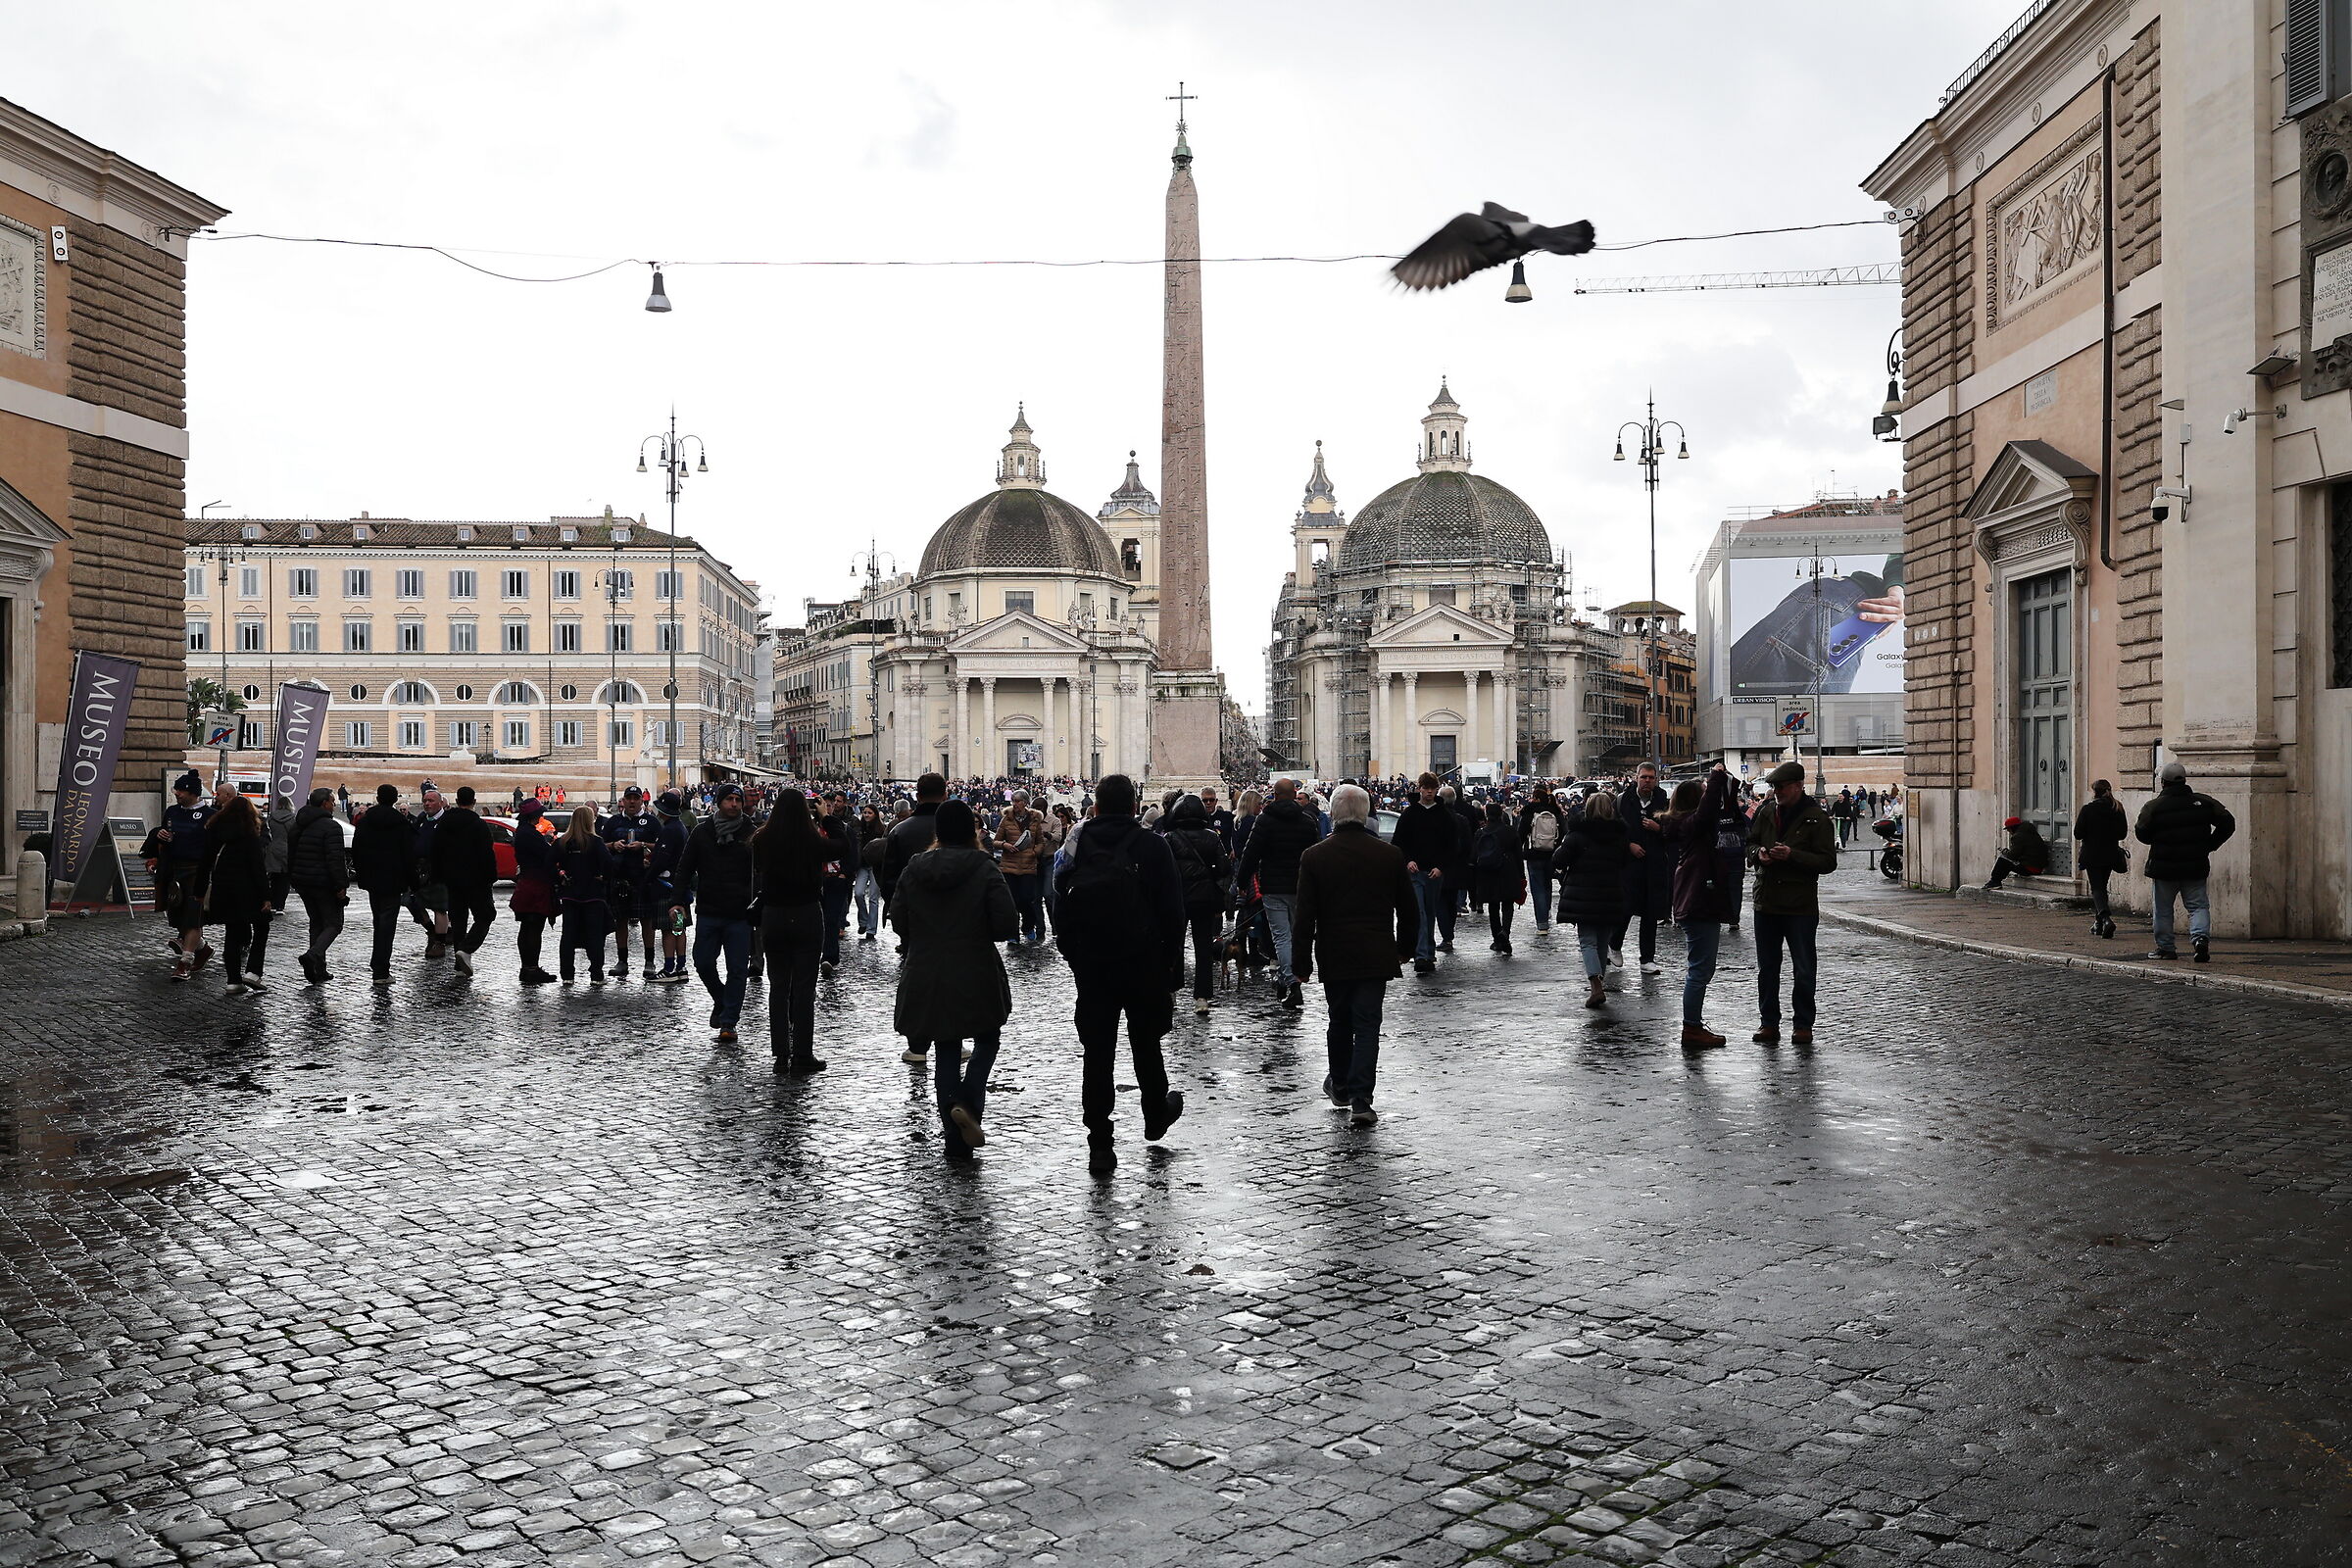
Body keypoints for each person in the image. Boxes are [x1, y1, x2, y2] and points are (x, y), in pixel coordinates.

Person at [1054, 773, 1187, 1175]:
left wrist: (1075, 956)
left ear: (1094, 807)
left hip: (1093, 965)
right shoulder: (1152, 845)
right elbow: (1173, 913)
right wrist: (1172, 971)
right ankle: (1155, 1113)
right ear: (1134, 806)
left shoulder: (1074, 843)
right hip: (1143, 961)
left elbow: (1059, 902)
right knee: (1146, 1043)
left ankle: (1100, 1142)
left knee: (1097, 1054)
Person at [890, 800, 1017, 1159]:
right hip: (975, 966)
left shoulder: (916, 868)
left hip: (928, 969)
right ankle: (970, 1101)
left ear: (939, 833)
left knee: (946, 1048)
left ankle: (953, 1136)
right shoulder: (984, 866)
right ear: (972, 830)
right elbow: (1006, 923)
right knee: (987, 1039)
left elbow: (899, 920)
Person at [1291, 784, 1418, 1128]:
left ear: (1333, 814)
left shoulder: (1315, 856)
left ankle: (1342, 1085)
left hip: (1335, 953)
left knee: (1340, 1021)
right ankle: (1361, 1098)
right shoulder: (1389, 855)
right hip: (1376, 952)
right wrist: (1405, 949)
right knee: (1367, 1025)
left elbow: (1304, 918)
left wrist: (1300, 964)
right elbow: (1409, 910)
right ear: (1366, 815)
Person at [1746, 760, 1838, 1044]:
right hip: (1767, 902)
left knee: (1804, 967)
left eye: (1781, 787)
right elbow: (1749, 842)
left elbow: (1828, 862)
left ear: (1798, 786)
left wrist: (1793, 856)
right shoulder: (1766, 811)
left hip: (1799, 906)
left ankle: (1803, 1025)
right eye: (1774, 786)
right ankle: (1769, 1023)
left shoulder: (1816, 818)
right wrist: (1757, 854)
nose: (1776, 791)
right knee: (1768, 968)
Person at [675, 784, 762, 1044]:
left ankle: (729, 1022)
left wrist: (760, 900)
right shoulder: (703, 832)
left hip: (740, 912)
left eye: (737, 799)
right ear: (719, 802)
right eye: (729, 799)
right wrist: (677, 900)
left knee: (737, 969)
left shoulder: (751, 832)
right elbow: (685, 867)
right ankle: (721, 999)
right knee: (702, 962)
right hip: (709, 909)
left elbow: (762, 869)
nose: (734, 804)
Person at [1662, 768, 1742, 1049]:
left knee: (1701, 967)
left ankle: (1693, 1026)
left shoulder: (1687, 825)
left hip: (1695, 898)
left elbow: (1721, 808)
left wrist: (1724, 784)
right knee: (1699, 969)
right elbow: (1708, 810)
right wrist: (1716, 779)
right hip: (1698, 900)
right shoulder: (1691, 824)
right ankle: (1692, 1028)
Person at [754, 789, 830, 1070]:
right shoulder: (811, 839)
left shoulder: (763, 838)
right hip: (806, 911)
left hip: (774, 914)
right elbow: (843, 847)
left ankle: (781, 1055)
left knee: (778, 987)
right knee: (804, 988)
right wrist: (826, 818)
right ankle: (802, 1055)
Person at [2135, 760, 2236, 962]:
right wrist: (2209, 844)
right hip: (2195, 864)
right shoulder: (2204, 802)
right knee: (2198, 906)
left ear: (2163, 782)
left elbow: (2142, 834)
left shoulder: (2153, 806)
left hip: (2164, 866)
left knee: (2163, 909)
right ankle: (2200, 940)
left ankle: (2165, 948)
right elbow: (2228, 823)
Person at [1236, 776, 1320, 1008]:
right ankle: (1289, 979)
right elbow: (1315, 854)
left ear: (1274, 795)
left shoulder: (1265, 821)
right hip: (1300, 886)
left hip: (1273, 887)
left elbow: (1251, 853)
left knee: (1281, 937)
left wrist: (1242, 881)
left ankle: (1290, 981)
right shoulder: (1307, 821)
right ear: (1294, 795)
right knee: (1294, 935)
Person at [1551, 791, 1629, 1010]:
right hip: (1610, 892)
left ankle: (1595, 984)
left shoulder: (1578, 835)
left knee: (1587, 940)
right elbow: (1624, 861)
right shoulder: (1620, 835)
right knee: (1603, 940)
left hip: (1583, 894)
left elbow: (1559, 859)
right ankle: (1599, 982)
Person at [193, 791, 272, 993]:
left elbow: (205, 863)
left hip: (223, 888)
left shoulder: (214, 830)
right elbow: (257, 867)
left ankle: (233, 981)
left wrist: (199, 890)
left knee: (232, 932)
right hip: (249, 889)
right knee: (262, 927)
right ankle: (253, 972)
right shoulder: (250, 832)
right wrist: (266, 896)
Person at [1164, 794, 1233, 1015]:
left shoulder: (1170, 838)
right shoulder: (1212, 837)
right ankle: (1201, 997)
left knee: (1173, 945)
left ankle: (1172, 991)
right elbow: (1224, 868)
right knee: (1203, 948)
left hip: (1177, 898)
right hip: (1204, 899)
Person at [143, 771, 215, 979]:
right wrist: (161, 836)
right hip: (173, 870)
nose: (177, 793)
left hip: (197, 871)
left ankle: (185, 962)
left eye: (181, 790)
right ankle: (202, 948)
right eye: (176, 789)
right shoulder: (172, 811)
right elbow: (164, 837)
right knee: (177, 918)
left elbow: (213, 846)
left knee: (193, 918)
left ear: (193, 792)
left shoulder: (210, 815)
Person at [1391, 773, 1460, 973]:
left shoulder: (1445, 815)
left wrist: (1441, 866)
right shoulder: (1409, 813)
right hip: (1416, 872)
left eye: (1432, 788)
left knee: (1429, 912)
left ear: (1437, 789)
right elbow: (1399, 842)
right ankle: (1421, 955)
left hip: (1435, 872)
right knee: (1420, 912)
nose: (1429, 791)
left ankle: (1428, 952)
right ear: (1419, 788)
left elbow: (1452, 845)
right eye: (1426, 787)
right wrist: (1408, 860)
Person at [285, 786, 350, 985]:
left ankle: (318, 970)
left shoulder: (299, 824)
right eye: (332, 801)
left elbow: (291, 854)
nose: (334, 804)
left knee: (316, 922)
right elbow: (335, 859)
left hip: (303, 881)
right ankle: (313, 956)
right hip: (323, 883)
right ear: (324, 803)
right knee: (333, 924)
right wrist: (341, 884)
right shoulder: (331, 827)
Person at [431, 785, 499, 976]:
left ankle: (460, 965)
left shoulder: (444, 823)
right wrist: (490, 877)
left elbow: (436, 851)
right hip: (476, 880)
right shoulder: (478, 825)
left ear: (457, 800)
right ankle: (466, 950)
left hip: (452, 880)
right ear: (474, 802)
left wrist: (437, 877)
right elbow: (487, 854)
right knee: (485, 916)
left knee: (459, 920)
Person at [350, 785, 414, 985]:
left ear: (377, 798)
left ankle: (378, 965)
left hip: (372, 879)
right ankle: (380, 969)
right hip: (393, 880)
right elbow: (408, 854)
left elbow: (356, 849)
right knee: (387, 924)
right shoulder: (400, 822)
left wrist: (362, 874)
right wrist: (412, 881)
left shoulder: (365, 822)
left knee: (378, 921)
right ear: (395, 799)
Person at [1615, 762, 1674, 973]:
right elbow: (1614, 831)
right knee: (1626, 908)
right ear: (1636, 778)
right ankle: (1614, 945)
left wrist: (1659, 828)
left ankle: (1647, 958)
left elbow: (1674, 832)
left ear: (1656, 779)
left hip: (1654, 865)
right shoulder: (1623, 801)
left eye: (1651, 777)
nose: (1647, 781)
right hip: (1629, 865)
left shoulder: (1663, 802)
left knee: (1651, 913)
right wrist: (1628, 845)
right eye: (1644, 777)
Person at [600, 785, 662, 978]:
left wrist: (643, 845)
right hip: (619, 877)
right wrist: (613, 845)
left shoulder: (652, 822)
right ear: (623, 801)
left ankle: (649, 962)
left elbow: (662, 847)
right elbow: (601, 845)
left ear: (641, 801)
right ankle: (622, 961)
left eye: (636, 798)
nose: (632, 802)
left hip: (643, 878)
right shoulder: (613, 822)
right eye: (629, 798)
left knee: (647, 921)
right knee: (621, 921)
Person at [555, 807, 613, 984]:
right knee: (594, 936)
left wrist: (560, 877)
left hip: (570, 894)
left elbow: (549, 862)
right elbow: (609, 864)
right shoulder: (595, 842)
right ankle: (596, 974)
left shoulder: (563, 841)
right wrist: (603, 879)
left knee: (568, 936)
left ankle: (567, 975)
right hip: (592, 895)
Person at [508, 798, 559, 984]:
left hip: (528, 882)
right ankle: (531, 968)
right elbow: (547, 855)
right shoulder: (529, 834)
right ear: (534, 816)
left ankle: (527, 967)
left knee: (528, 926)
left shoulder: (524, 832)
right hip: (535, 884)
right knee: (534, 927)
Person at [647, 791, 694, 982]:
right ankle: (681, 968)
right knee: (679, 928)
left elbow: (662, 860)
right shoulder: (680, 827)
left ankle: (669, 968)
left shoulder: (669, 829)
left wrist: (648, 876)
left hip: (667, 886)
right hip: (679, 885)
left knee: (668, 929)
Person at [2074, 780, 2129, 940]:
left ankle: (2105, 918)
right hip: (2110, 853)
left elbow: (2078, 833)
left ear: (2094, 792)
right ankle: (2099, 924)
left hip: (2092, 854)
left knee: (2097, 887)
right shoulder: (2117, 808)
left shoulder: (2088, 809)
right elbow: (2122, 834)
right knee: (2101, 887)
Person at [994, 790, 1048, 949]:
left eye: (1017, 801)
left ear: (1025, 802)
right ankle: (1013, 934)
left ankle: (1028, 925)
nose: (1014, 804)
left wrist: (1034, 852)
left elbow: (1040, 842)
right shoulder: (1006, 820)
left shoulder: (1034, 820)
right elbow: (996, 841)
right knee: (1012, 902)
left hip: (1028, 865)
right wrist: (1005, 845)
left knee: (1026, 899)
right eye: (1013, 801)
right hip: (1009, 866)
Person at [1470, 802, 1526, 956]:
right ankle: (1505, 932)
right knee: (1508, 904)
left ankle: (1497, 938)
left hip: (1487, 872)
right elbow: (1518, 855)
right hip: (1508, 870)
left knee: (1493, 906)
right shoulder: (1510, 831)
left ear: (1487, 815)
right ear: (1501, 814)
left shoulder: (1481, 833)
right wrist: (1521, 875)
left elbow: (1474, 856)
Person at [815, 791, 858, 974]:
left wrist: (846, 874)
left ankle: (829, 956)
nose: (827, 808)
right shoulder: (810, 828)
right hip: (816, 880)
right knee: (817, 919)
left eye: (830, 805)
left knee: (832, 918)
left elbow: (852, 851)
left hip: (836, 878)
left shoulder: (843, 827)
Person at [1517, 785, 1567, 932]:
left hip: (1534, 854)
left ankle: (1542, 922)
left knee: (1537, 887)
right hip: (1552, 854)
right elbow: (1564, 832)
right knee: (1547, 885)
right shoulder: (1556, 812)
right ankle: (1547, 911)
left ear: (1537, 798)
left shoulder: (1529, 812)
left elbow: (1520, 833)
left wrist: (1519, 851)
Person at [1984, 815, 2049, 889]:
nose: (2009, 832)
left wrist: (2005, 851)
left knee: (2002, 861)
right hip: (2038, 867)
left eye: (2008, 830)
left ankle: (1995, 881)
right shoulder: (2031, 833)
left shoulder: (2018, 836)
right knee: (2006, 861)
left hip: (2030, 868)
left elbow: (2012, 856)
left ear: (2012, 828)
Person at [854, 804, 888, 941]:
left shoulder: (881, 829)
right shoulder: (859, 828)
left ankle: (871, 929)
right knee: (858, 893)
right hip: (862, 865)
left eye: (869, 813)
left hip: (876, 866)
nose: (866, 815)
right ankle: (864, 921)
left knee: (873, 898)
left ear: (875, 814)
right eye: (865, 812)